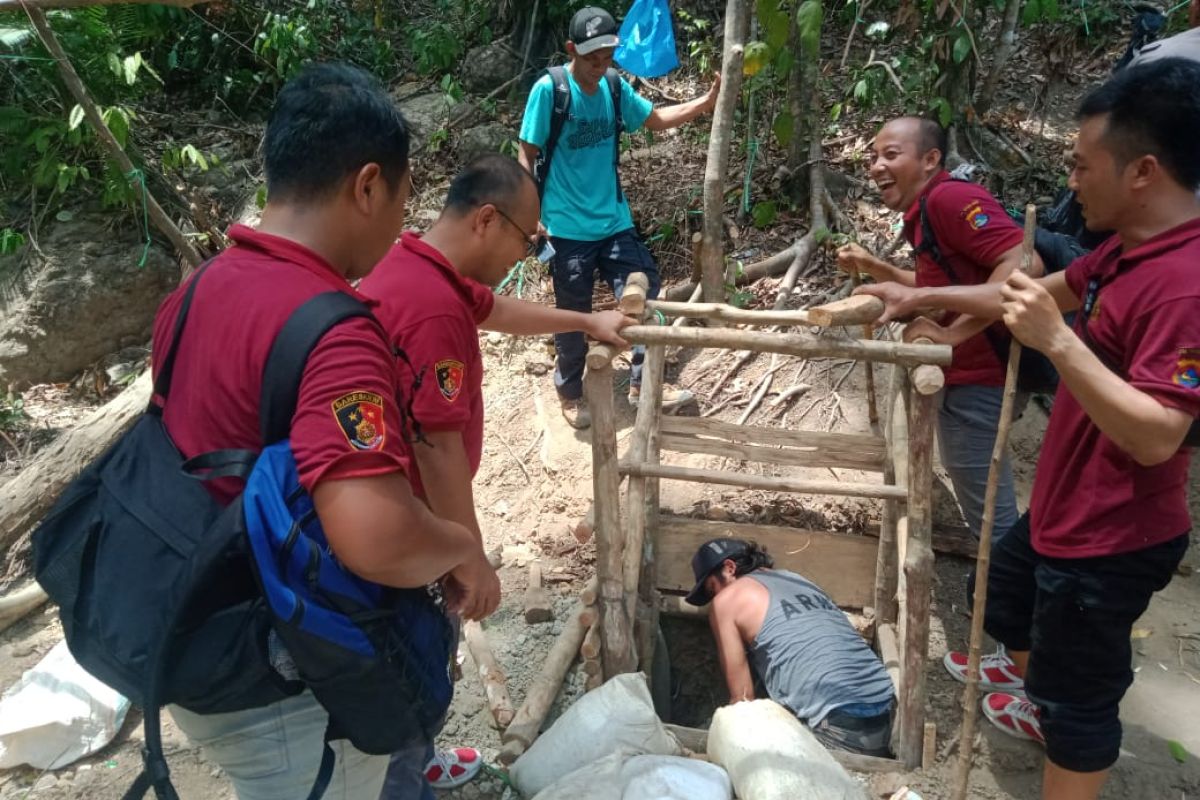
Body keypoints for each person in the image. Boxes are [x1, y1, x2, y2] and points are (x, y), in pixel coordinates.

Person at [857, 59, 1200, 800]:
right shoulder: (1122, 250)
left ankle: (1060, 731)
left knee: (1083, 699)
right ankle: (1037, 695)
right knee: (1007, 588)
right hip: (1070, 505)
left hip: (1117, 533)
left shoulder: (1185, 283)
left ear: (1142, 171)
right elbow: (1021, 294)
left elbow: (1156, 436)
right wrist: (913, 295)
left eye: (1081, 166)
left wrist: (1057, 339)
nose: (1070, 182)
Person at [153, 63, 489, 799]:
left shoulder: (195, 290)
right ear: (368, 186)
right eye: (403, 199)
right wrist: (462, 546)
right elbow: (376, 537)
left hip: (186, 625)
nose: (401, 224)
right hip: (279, 667)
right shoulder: (334, 333)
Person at [359, 154, 634, 797]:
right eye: (527, 237)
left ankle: (415, 759)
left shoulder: (419, 266)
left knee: (419, 659)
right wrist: (469, 556)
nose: (526, 252)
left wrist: (587, 320)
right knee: (412, 662)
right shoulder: (431, 308)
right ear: (488, 220)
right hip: (411, 518)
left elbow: (496, 310)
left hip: (403, 509)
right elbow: (437, 447)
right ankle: (403, 779)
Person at [836, 117, 1043, 551]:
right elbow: (946, 284)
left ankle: (1009, 601)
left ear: (931, 160)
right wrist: (880, 270)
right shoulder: (926, 211)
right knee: (977, 490)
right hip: (968, 369)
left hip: (984, 373)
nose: (875, 166)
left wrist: (955, 334)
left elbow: (1025, 264)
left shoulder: (950, 199)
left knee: (989, 510)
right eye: (873, 156)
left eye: (891, 155)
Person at [516, 5, 719, 429]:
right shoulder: (549, 91)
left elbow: (656, 120)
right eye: (591, 57)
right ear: (572, 49)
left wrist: (706, 103)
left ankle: (644, 381)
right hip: (566, 225)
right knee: (572, 310)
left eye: (606, 56)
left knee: (644, 290)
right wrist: (529, 215)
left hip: (613, 220)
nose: (599, 65)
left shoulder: (612, 87)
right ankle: (570, 391)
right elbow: (527, 153)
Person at [684, 538, 896, 757]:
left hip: (839, 728)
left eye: (712, 588)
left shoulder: (726, 601)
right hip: (889, 715)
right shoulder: (798, 580)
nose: (714, 598)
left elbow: (743, 701)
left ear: (729, 568)